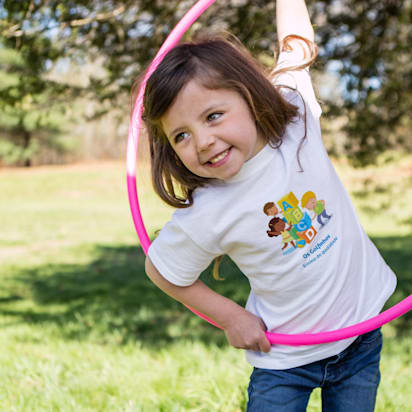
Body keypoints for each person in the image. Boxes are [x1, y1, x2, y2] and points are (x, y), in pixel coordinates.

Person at [140, 0, 397, 410]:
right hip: (284, 359)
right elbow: (162, 271)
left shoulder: (297, 122)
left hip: (360, 336)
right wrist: (231, 317)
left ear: (248, 96)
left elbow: (296, 45)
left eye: (213, 116)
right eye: (181, 136)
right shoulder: (207, 211)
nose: (202, 141)